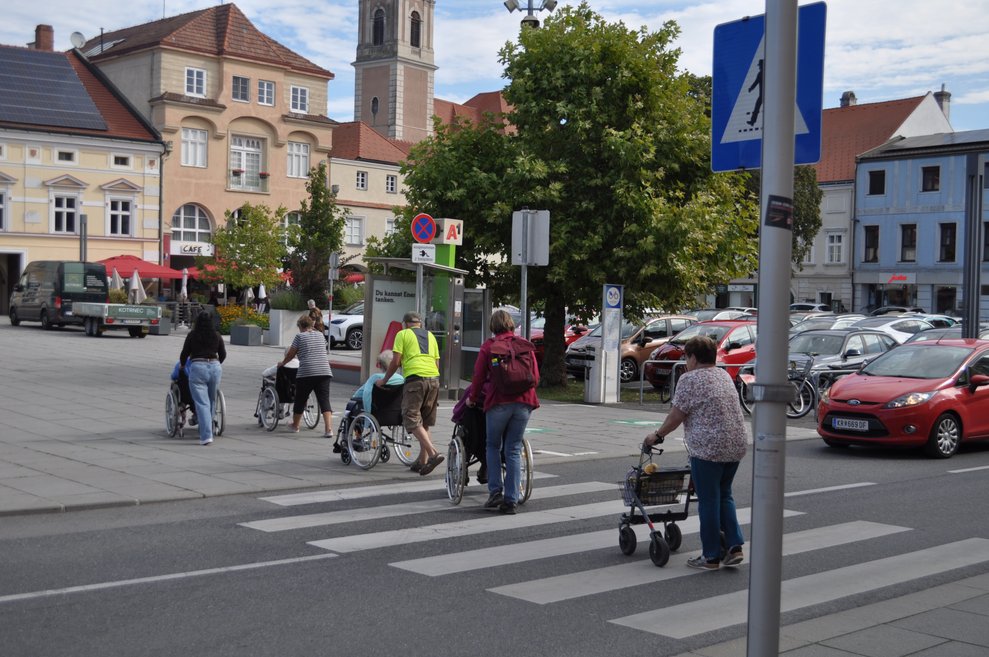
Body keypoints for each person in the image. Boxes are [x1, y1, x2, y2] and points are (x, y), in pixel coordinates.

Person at [643, 335, 747, 571]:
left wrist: (656, 436)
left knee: (708, 501)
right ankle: (734, 546)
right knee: (724, 495)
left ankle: (710, 556)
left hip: (708, 448)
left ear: (693, 357)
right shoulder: (724, 375)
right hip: (736, 445)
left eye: (685, 357)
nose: (685, 361)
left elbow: (676, 416)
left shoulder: (690, 379)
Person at [465, 309, 539, 514]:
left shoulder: (489, 347)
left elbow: (478, 378)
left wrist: (472, 400)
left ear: (493, 326)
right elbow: (535, 377)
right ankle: (511, 500)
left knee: (492, 446)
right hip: (524, 403)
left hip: (498, 403)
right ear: (511, 325)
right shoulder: (524, 345)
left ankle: (495, 491)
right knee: (513, 449)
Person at [377, 311, 443, 475]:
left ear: (405, 323)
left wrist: (384, 380)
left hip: (415, 379)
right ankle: (422, 461)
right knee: (425, 421)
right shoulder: (430, 336)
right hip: (434, 379)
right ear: (420, 323)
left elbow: (395, 361)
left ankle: (433, 453)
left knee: (410, 417)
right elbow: (436, 362)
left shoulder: (402, 334)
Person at [334, 350, 405, 454]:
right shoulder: (401, 379)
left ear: (380, 364)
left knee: (351, 408)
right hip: (393, 413)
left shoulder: (376, 378)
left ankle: (352, 439)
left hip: (374, 411)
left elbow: (366, 396)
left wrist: (368, 418)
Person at [278, 314, 334, 437]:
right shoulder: (320, 335)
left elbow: (291, 354)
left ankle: (295, 426)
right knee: (324, 400)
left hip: (307, 372)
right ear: (311, 325)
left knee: (300, 399)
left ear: (300, 326)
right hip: (324, 371)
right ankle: (329, 429)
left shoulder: (299, 336)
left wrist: (283, 363)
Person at [179, 311, 226, 446]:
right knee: (211, 400)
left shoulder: (192, 335)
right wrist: (216, 363)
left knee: (202, 403)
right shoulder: (216, 335)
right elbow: (223, 354)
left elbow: (184, 354)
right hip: (215, 367)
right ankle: (208, 427)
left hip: (198, 366)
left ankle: (206, 435)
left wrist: (182, 365)